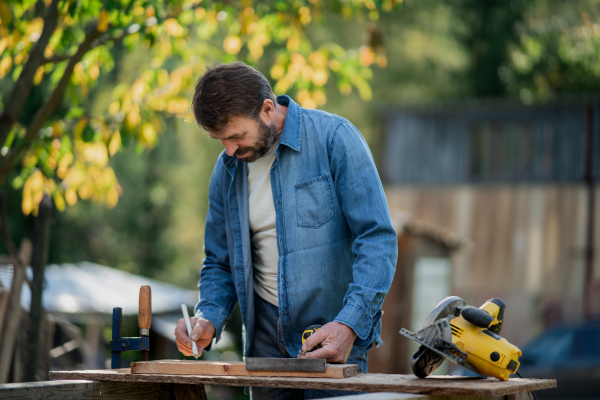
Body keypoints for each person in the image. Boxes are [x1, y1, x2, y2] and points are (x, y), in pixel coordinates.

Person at [174, 62, 397, 399]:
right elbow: (219, 263)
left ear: (267, 109)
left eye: (235, 136)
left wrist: (349, 323)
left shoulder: (334, 139)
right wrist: (207, 317)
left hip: (331, 338)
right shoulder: (226, 171)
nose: (229, 151)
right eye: (220, 140)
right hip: (263, 347)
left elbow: (377, 239)